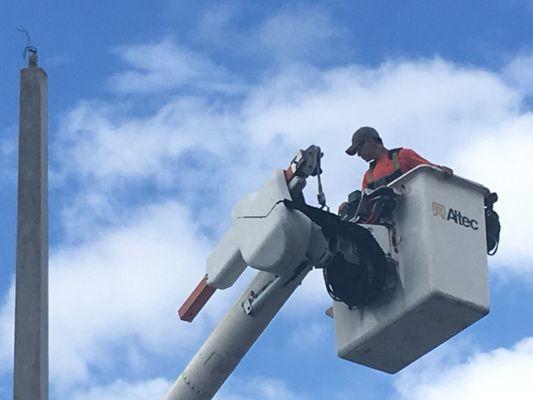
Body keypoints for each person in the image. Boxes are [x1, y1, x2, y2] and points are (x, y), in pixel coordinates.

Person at [339, 126, 452, 213]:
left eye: (359, 148)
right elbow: (364, 205)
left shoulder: (402, 156)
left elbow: (429, 173)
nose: (359, 154)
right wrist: (349, 207)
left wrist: (442, 171)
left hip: (414, 211)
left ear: (371, 142)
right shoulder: (368, 175)